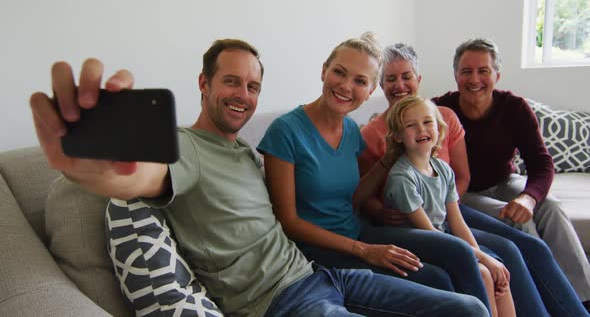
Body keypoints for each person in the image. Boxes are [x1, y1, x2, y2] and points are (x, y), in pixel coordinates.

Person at [29, 39, 488, 316]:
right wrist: (105, 173)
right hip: (280, 303)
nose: (243, 96)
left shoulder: (247, 153)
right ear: (204, 83)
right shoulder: (182, 146)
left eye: (252, 87)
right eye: (231, 82)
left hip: (321, 274)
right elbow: (144, 177)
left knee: (466, 307)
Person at [257, 33, 494, 313]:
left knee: (459, 251)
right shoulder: (286, 131)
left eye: (360, 81)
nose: (346, 86)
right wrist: (364, 251)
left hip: (359, 232)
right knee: (436, 278)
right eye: (339, 73)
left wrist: (388, 160)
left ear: (370, 91)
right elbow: (288, 221)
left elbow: (354, 198)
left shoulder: (350, 131)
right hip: (317, 251)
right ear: (324, 70)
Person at [360, 42, 589, 316]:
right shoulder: (377, 136)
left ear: (418, 79)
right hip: (423, 216)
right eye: (390, 79)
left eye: (407, 76)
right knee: (510, 243)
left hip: (454, 204)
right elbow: (364, 197)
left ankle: (578, 308)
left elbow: (461, 178)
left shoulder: (441, 116)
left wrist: (449, 205)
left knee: (540, 226)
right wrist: (386, 213)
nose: (400, 85)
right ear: (379, 85)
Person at [432, 37, 590, 312]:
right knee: (517, 221)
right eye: (466, 71)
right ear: (456, 76)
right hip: (466, 193)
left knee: (550, 206)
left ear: (497, 75)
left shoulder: (514, 107)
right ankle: (544, 297)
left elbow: (541, 162)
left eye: (484, 71)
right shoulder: (439, 110)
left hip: (504, 180)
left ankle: (582, 297)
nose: (475, 79)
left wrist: (529, 198)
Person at [383, 96, 515, 317]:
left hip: (443, 241)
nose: (421, 129)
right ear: (397, 136)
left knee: (498, 272)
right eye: (411, 125)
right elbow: (430, 233)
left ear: (439, 128)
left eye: (427, 122)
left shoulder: (442, 169)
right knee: (483, 273)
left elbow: (457, 222)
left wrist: (481, 254)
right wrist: (482, 260)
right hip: (418, 246)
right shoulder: (402, 178)